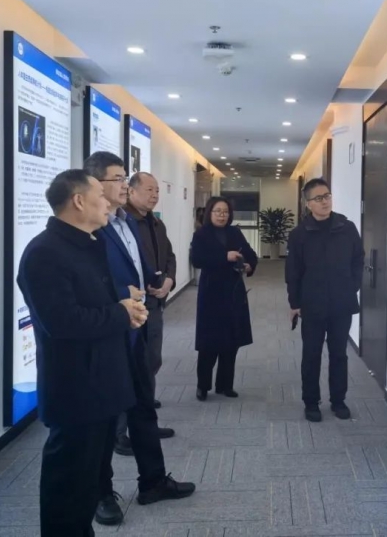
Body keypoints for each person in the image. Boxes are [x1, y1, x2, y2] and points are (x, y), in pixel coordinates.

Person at [16, 169, 147, 537]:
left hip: (103, 383)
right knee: (68, 489)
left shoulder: (88, 244)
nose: (108, 202)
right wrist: (120, 312)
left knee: (87, 485)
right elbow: (62, 322)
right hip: (76, 390)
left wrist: (126, 307)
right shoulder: (44, 253)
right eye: (100, 196)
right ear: (78, 201)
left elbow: (95, 301)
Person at [84, 152, 195, 526]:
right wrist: (124, 294)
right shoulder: (92, 227)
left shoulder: (126, 222)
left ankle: (153, 481)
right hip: (109, 334)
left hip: (137, 330)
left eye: (124, 176)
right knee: (104, 421)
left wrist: (159, 281)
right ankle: (101, 493)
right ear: (95, 184)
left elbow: (141, 267)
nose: (123, 183)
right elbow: (90, 283)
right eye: (117, 178)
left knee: (144, 407)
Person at [285, 178, 365, 423]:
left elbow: (358, 259)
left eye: (327, 196)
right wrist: (295, 303)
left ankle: (338, 400)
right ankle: (311, 402)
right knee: (311, 355)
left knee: (339, 354)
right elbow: (293, 272)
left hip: (341, 303)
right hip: (312, 304)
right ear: (308, 204)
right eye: (318, 198)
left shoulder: (346, 227)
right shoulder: (299, 234)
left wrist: (353, 286)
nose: (325, 202)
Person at [190, 196, 258, 401]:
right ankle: (202, 386)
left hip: (233, 292)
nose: (222, 215)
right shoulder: (201, 234)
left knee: (231, 341)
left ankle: (225, 385)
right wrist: (224, 257)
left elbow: (250, 253)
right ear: (209, 213)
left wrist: (249, 265)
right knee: (209, 343)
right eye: (218, 211)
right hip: (211, 293)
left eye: (225, 212)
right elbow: (197, 259)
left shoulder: (234, 232)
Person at [126, 172, 177, 409]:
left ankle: (146, 400)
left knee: (152, 357)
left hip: (155, 303)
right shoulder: (123, 223)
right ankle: (131, 413)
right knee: (132, 360)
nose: (155, 195)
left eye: (157, 190)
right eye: (149, 190)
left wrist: (169, 280)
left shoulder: (157, 224)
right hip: (132, 305)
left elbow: (169, 256)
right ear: (131, 191)